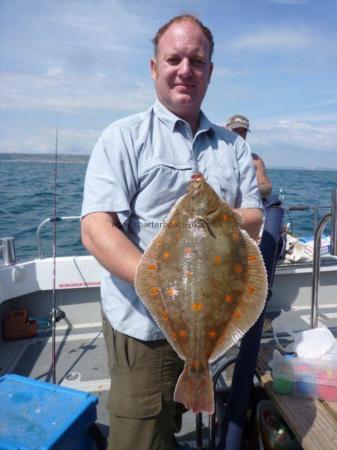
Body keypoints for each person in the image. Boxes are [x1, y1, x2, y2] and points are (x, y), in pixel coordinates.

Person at [81, 14, 263, 450]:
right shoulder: (122, 138)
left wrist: (221, 216)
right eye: (174, 58)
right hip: (141, 329)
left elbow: (254, 219)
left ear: (210, 72)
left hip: (213, 326)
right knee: (140, 439)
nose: (185, 69)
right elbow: (94, 227)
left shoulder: (233, 146)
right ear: (153, 67)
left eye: (196, 61)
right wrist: (156, 281)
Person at [226, 114, 273, 199]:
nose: (239, 134)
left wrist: (248, 190)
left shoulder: (256, 160)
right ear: (226, 129)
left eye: (243, 131)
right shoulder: (214, 156)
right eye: (235, 130)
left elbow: (267, 186)